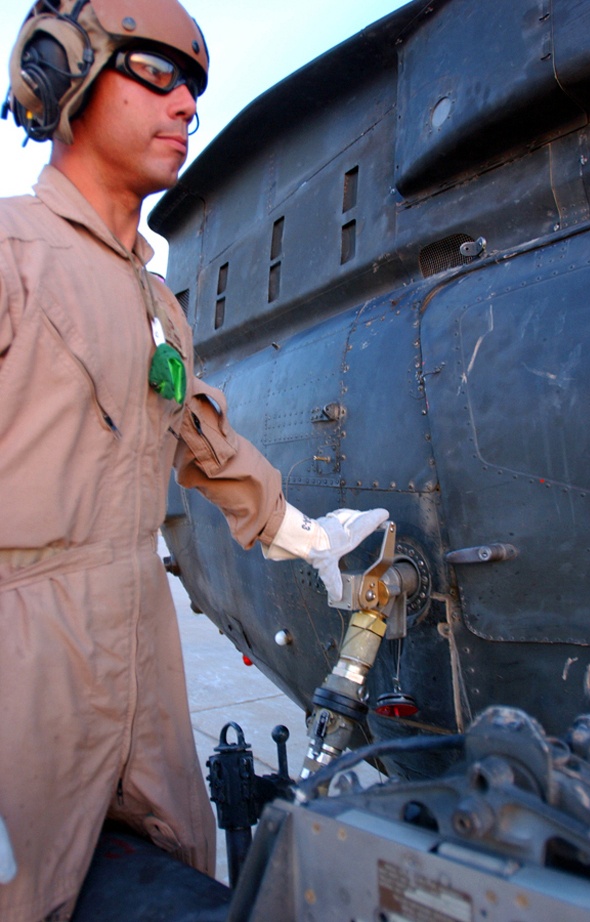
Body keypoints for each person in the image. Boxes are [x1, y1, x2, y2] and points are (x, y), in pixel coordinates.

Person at [0, 1, 388, 919]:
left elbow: (196, 438)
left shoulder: (155, 303)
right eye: (158, 73)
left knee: (179, 864)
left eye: (195, 89)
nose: (187, 107)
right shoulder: (12, 254)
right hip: (26, 647)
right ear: (65, 73)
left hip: (141, 638)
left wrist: (309, 538)